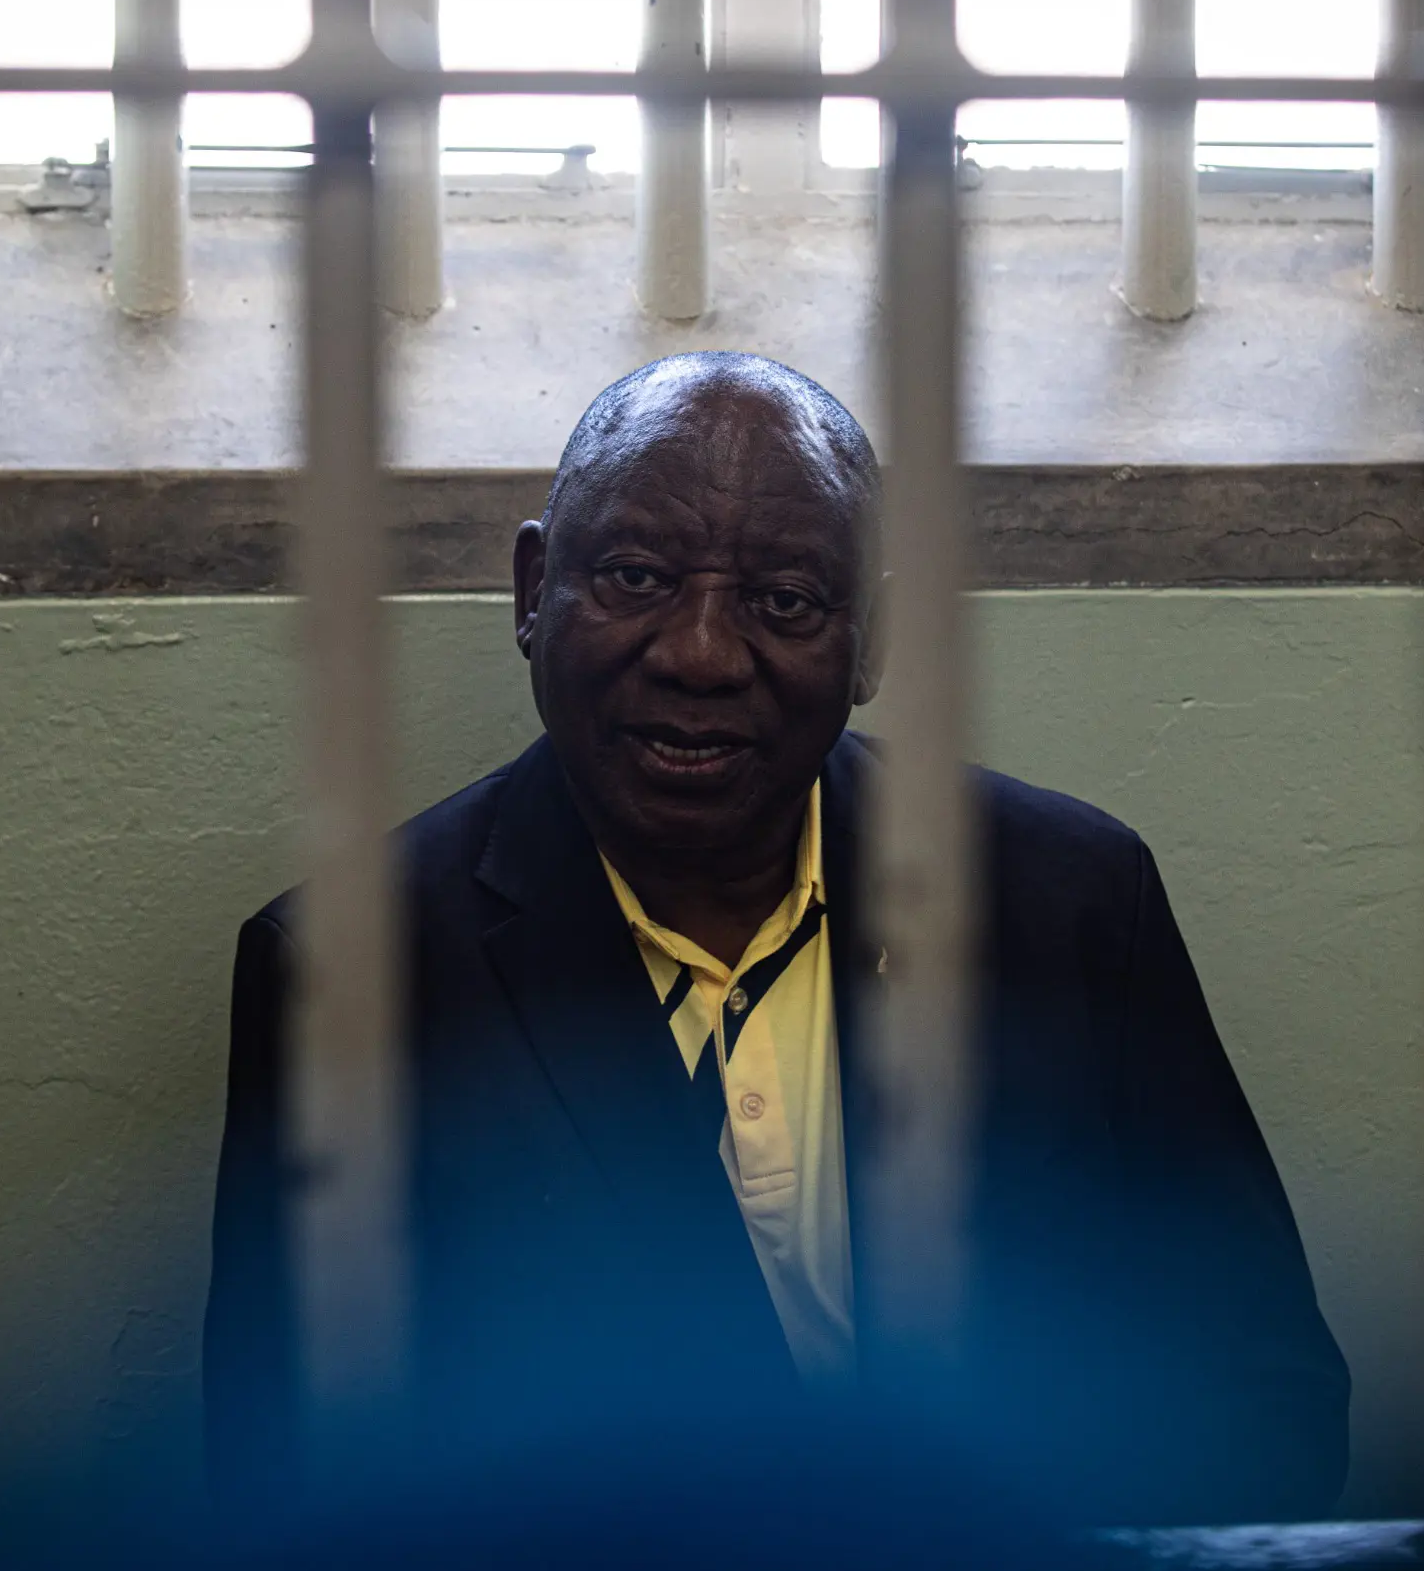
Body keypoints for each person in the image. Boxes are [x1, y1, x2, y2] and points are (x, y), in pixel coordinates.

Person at [206, 352, 1348, 1526]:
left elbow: (1261, 1387)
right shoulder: (353, 973)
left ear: (871, 640)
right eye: (638, 575)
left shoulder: (1070, 901)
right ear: (533, 589)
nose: (700, 653)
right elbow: (299, 1476)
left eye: (785, 600)